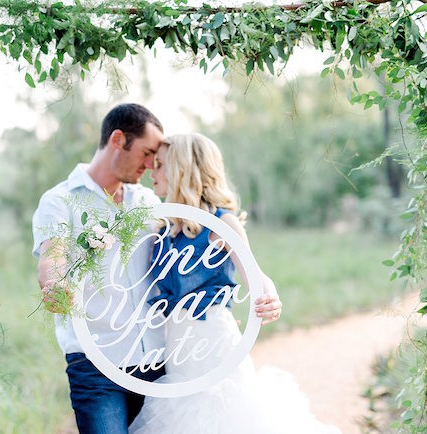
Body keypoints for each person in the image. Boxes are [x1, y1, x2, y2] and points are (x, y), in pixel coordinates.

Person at [33, 105, 283, 434]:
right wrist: (55, 286)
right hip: (96, 364)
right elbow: (53, 259)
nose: (152, 165)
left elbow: (231, 262)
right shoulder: (61, 201)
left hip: (160, 360)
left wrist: (218, 309)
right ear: (118, 140)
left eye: (159, 160)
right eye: (148, 153)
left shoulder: (152, 204)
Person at [128, 133, 341, 434]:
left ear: (181, 169)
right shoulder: (164, 229)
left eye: (160, 165)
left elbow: (255, 274)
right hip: (176, 350)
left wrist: (269, 296)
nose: (153, 171)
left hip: (213, 344)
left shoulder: (222, 223)